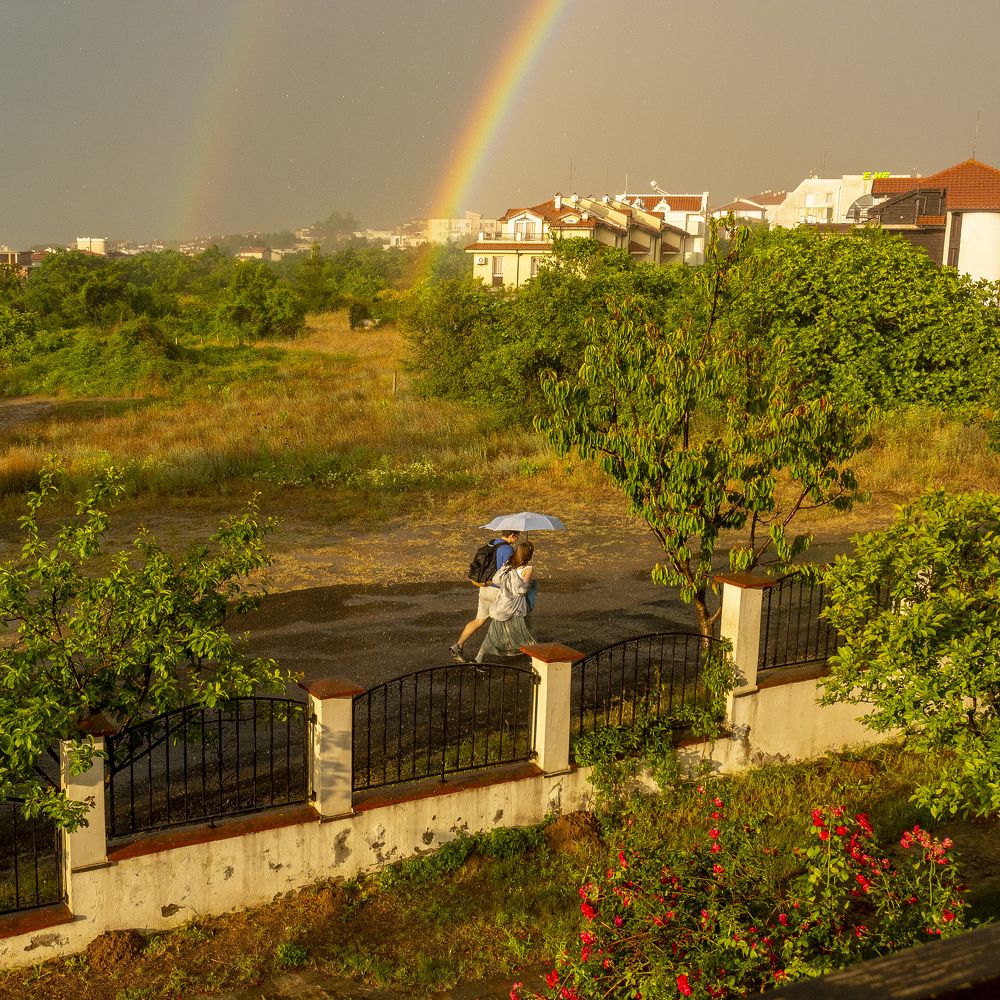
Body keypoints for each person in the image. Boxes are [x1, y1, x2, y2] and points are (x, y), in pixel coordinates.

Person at [449, 529, 520, 662]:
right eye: (517, 536)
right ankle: (502, 650)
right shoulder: (508, 550)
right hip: (497, 591)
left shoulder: (492, 544)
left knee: (479, 620)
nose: (517, 539)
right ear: (512, 535)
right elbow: (508, 572)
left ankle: (458, 645)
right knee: (508, 619)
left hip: (485, 588)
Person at [475, 540, 536, 663]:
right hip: (516, 607)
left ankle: (479, 657)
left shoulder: (508, 565)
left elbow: (496, 580)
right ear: (529, 554)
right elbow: (521, 591)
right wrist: (530, 586)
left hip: (502, 604)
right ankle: (534, 658)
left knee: (494, 633)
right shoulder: (528, 569)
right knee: (525, 633)